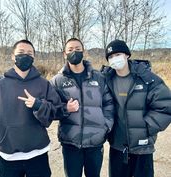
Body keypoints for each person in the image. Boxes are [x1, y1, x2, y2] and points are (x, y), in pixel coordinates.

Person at [0, 39, 65, 177]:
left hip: (38, 153)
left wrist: (39, 105)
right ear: (13, 56)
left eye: (29, 53)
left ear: (33, 57)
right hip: (8, 156)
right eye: (21, 52)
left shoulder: (43, 84)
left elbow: (57, 111)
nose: (25, 55)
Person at [101, 39, 171, 177]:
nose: (114, 59)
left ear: (127, 55)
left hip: (142, 147)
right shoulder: (106, 79)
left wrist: (146, 127)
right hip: (117, 146)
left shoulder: (147, 78)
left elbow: (165, 106)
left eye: (118, 54)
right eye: (111, 57)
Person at [50, 38, 114, 177]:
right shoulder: (57, 81)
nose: (74, 52)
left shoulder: (98, 77)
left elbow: (109, 103)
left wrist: (106, 126)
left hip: (95, 142)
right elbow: (50, 109)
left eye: (78, 49)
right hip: (70, 143)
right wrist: (65, 108)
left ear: (83, 52)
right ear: (64, 53)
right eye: (70, 49)